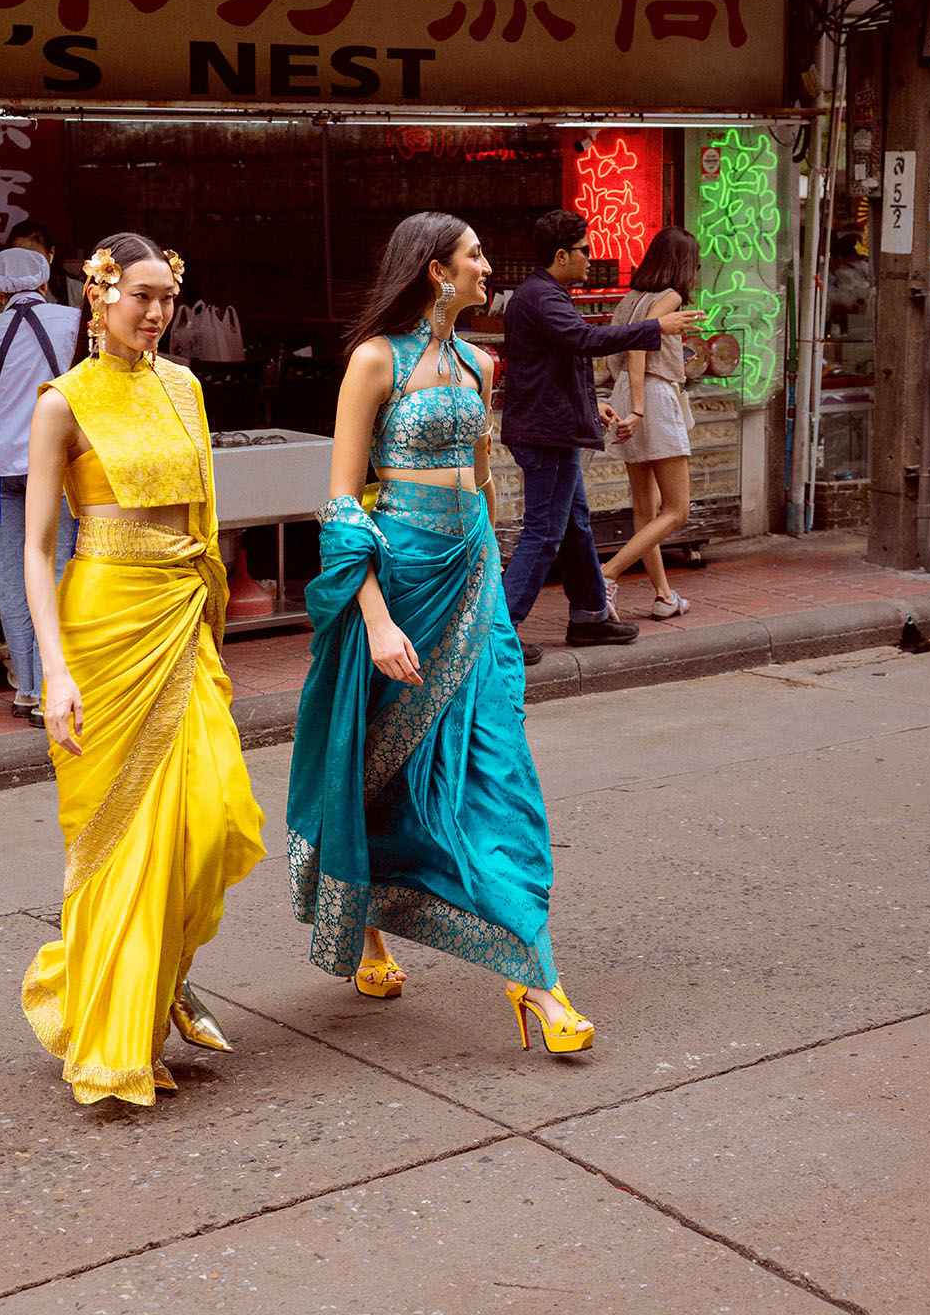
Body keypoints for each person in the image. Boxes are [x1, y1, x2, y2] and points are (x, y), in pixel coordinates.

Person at [287, 211, 594, 1056]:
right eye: (475, 256)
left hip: (471, 582)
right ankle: (373, 928)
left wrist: (494, 583)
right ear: (434, 270)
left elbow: (485, 486)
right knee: (376, 768)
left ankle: (536, 977)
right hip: (397, 585)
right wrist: (375, 618)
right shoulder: (374, 361)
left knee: (499, 766)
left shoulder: (478, 363)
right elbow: (344, 504)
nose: (489, 268)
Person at [21, 233, 265, 1106]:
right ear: (98, 295)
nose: (157, 314)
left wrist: (212, 615)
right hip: (102, 623)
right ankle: (119, 1030)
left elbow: (205, 512)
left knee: (211, 821)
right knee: (119, 840)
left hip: (182, 620)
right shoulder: (64, 403)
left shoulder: (185, 385)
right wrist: (52, 670)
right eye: (141, 296)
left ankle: (159, 976)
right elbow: (38, 548)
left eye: (167, 296)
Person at [499, 209, 705, 665]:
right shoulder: (542, 297)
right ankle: (499, 630)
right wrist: (657, 328)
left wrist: (592, 405)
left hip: (555, 427)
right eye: (584, 251)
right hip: (546, 434)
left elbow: (554, 365)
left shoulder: (545, 294)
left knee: (573, 526)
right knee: (544, 533)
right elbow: (583, 342)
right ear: (561, 255)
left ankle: (590, 616)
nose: (592, 259)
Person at [0, 249, 81, 720]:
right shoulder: (75, 321)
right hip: (57, 465)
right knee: (57, 570)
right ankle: (57, 685)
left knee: (11, 575)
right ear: (47, 282)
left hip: (0, 468)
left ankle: (28, 690)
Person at [603, 226, 704, 621]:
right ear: (682, 263)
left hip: (627, 391)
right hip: (653, 398)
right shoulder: (671, 297)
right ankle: (607, 573)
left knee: (646, 508)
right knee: (678, 509)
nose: (695, 270)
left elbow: (621, 350)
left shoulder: (630, 298)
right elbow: (639, 344)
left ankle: (664, 595)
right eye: (694, 262)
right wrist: (643, 408)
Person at [7, 220, 63, 304]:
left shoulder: (75, 290)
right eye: (21, 258)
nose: (28, 265)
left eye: (35, 258)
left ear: (51, 253)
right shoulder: (7, 293)